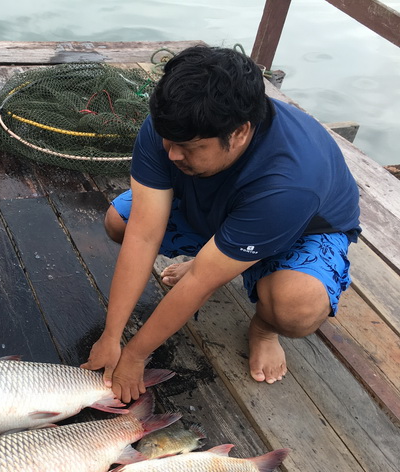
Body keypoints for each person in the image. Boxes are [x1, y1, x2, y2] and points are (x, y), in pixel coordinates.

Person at [82, 46, 360, 402]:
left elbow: (200, 282)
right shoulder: (176, 124)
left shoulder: (290, 183)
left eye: (189, 147)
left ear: (240, 132)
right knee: (119, 221)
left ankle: (263, 328)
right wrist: (111, 335)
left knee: (296, 308)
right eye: (168, 140)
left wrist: (135, 356)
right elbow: (143, 233)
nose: (172, 154)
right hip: (218, 204)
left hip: (300, 228)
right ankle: (223, 252)